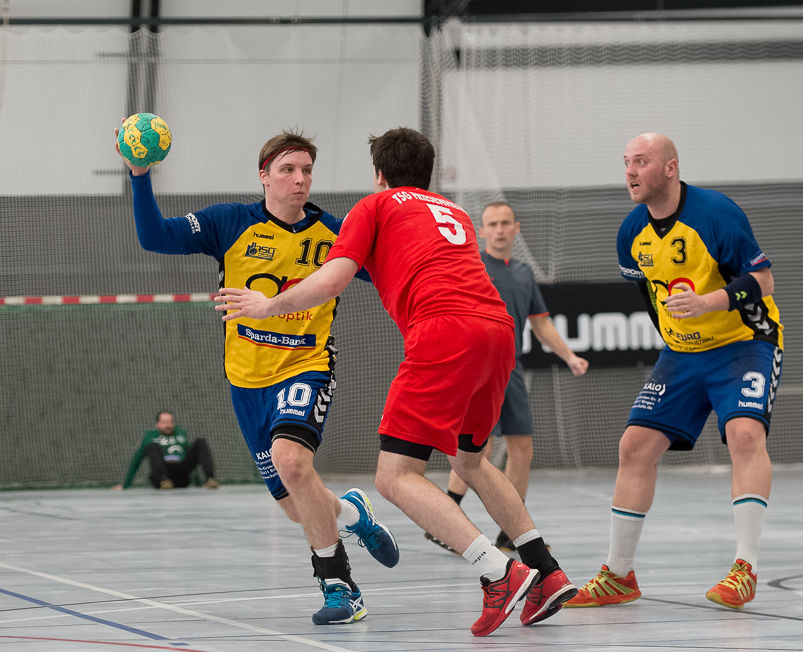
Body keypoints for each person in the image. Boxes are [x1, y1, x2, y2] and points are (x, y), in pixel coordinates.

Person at [216, 127, 578, 636]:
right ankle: (545, 568)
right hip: (498, 332)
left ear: (379, 175)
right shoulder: (452, 211)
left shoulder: (374, 206)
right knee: (470, 461)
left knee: (394, 477)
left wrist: (269, 304)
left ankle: (497, 572)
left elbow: (333, 280)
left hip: (443, 332)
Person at [118, 124, 399, 626]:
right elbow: (154, 236)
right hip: (246, 380)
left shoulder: (336, 234)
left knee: (293, 464)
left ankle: (339, 586)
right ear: (264, 176)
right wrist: (140, 174)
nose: (300, 179)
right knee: (295, 504)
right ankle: (353, 512)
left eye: (307, 170)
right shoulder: (229, 222)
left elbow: (390, 272)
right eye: (288, 170)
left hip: (307, 364)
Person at [565, 133, 782, 611]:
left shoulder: (716, 213)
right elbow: (649, 297)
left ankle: (744, 569)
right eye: (626, 162)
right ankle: (618, 575)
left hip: (744, 343)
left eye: (641, 161)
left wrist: (708, 302)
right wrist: (676, 336)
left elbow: (764, 279)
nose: (630, 171)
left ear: (670, 168)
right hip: (683, 353)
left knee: (746, 436)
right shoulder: (631, 233)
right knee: (634, 447)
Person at [425, 202, 589, 555]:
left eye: (505, 223)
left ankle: (511, 532)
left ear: (516, 228)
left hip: (510, 370)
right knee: (476, 447)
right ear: (481, 231)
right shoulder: (471, 266)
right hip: (475, 369)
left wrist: (569, 356)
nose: (499, 229)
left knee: (522, 447)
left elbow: (541, 324)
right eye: (492, 224)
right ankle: (443, 522)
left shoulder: (524, 272)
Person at [112, 411, 218, 491]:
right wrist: (124, 485)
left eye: (170, 422)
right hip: (163, 474)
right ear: (157, 424)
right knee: (152, 446)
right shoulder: (149, 436)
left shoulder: (180, 433)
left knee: (200, 442)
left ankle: (210, 479)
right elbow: (136, 460)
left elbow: (193, 455)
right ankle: (164, 481)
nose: (167, 425)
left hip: (181, 474)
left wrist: (198, 482)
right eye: (164, 422)